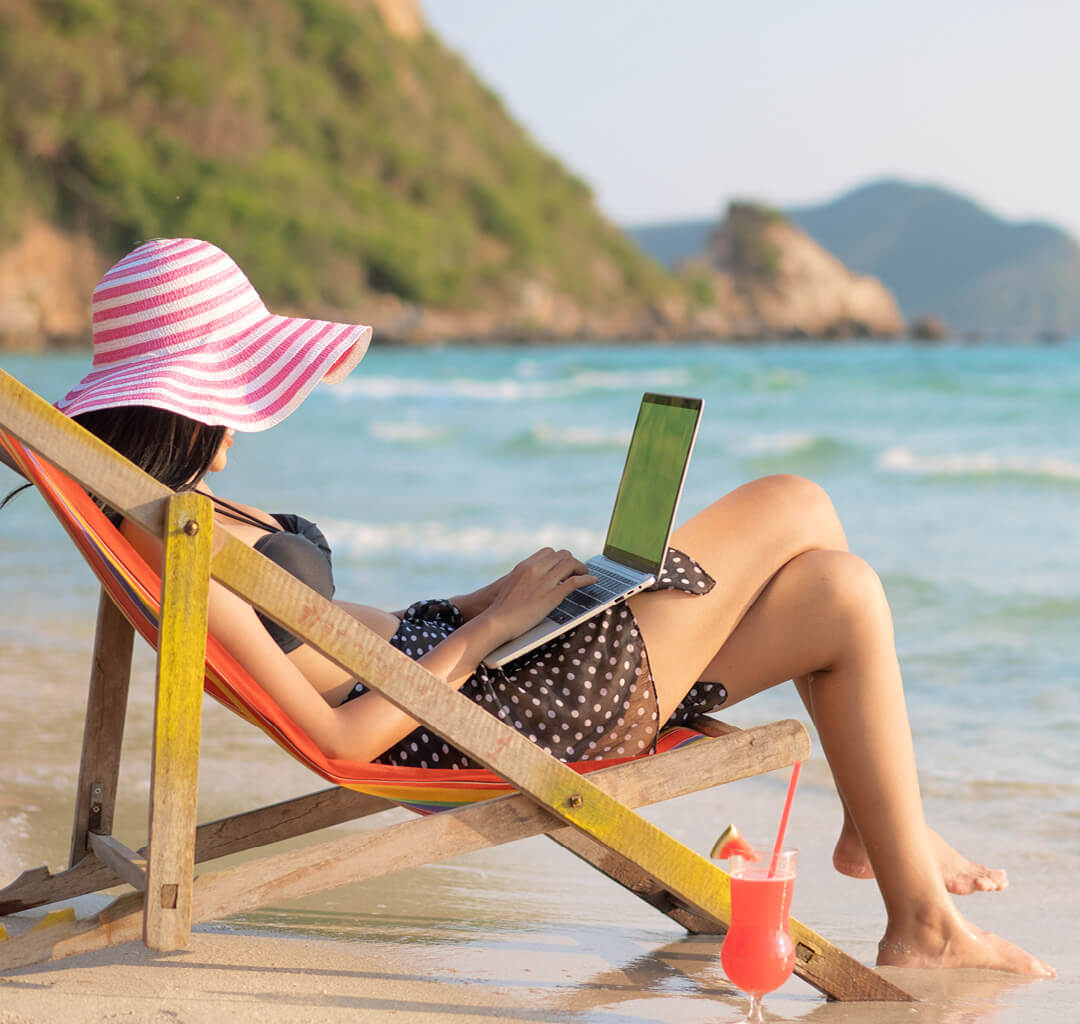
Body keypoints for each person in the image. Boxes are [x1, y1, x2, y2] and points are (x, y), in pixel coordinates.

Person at [27, 238, 1054, 977]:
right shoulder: (181, 537)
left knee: (842, 592)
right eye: (232, 391)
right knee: (801, 504)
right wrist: (490, 631)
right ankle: (908, 886)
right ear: (185, 398)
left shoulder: (177, 514)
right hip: (492, 716)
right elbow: (338, 725)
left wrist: (487, 599)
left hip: (476, 667)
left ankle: (898, 864)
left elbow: (340, 640)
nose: (244, 424)